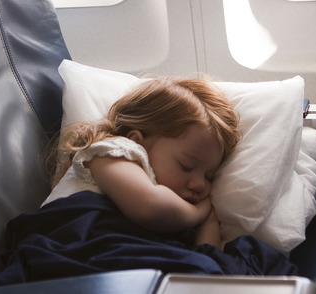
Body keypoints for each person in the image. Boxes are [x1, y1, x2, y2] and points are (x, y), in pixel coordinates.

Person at [41, 76, 241, 248]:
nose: (200, 184)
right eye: (186, 166)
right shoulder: (111, 152)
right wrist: (199, 213)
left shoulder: (174, 214)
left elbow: (206, 259)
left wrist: (209, 222)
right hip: (74, 245)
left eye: (209, 176)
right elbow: (149, 207)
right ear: (137, 141)